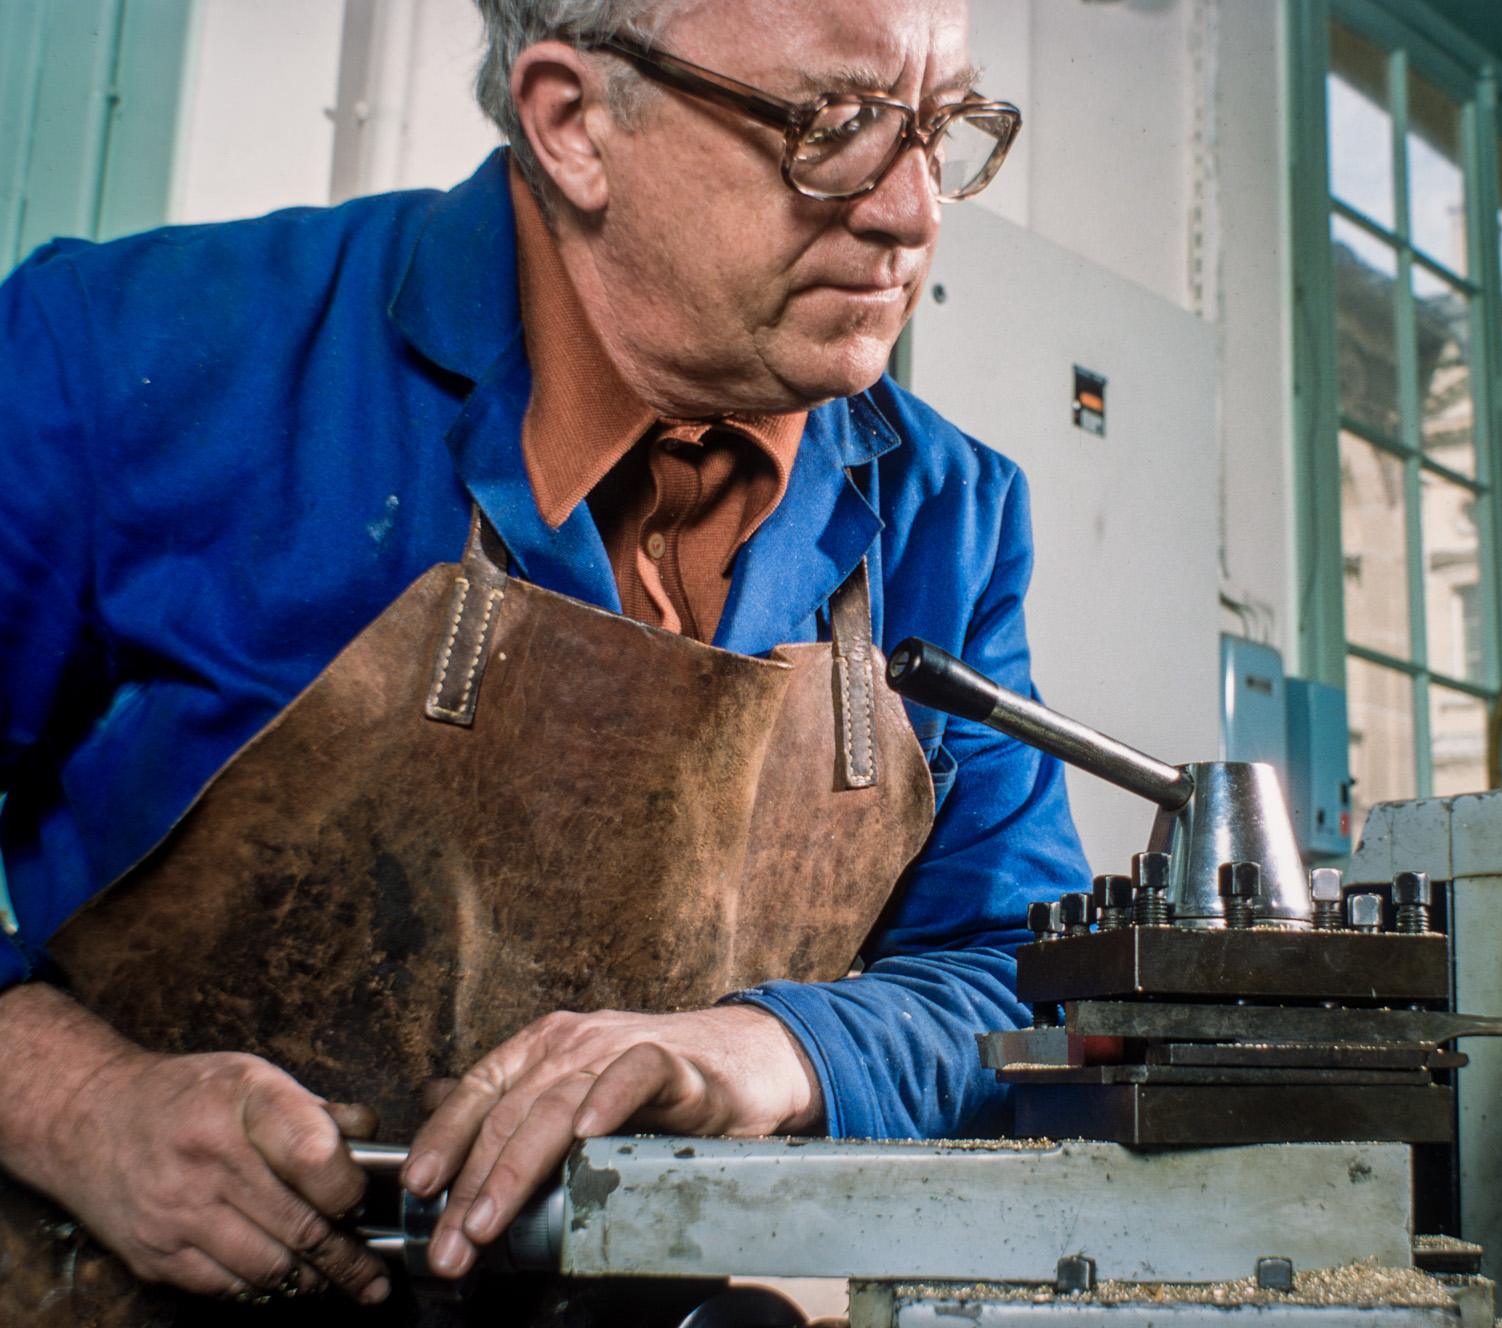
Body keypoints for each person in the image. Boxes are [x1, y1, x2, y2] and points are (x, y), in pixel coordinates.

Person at [0, 0, 1086, 1320]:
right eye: (836, 126)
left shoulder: (946, 518)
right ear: (573, 122)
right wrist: (69, 1102)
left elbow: (1014, 984)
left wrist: (777, 1047)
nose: (914, 215)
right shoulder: (120, 363)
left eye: (939, 125)